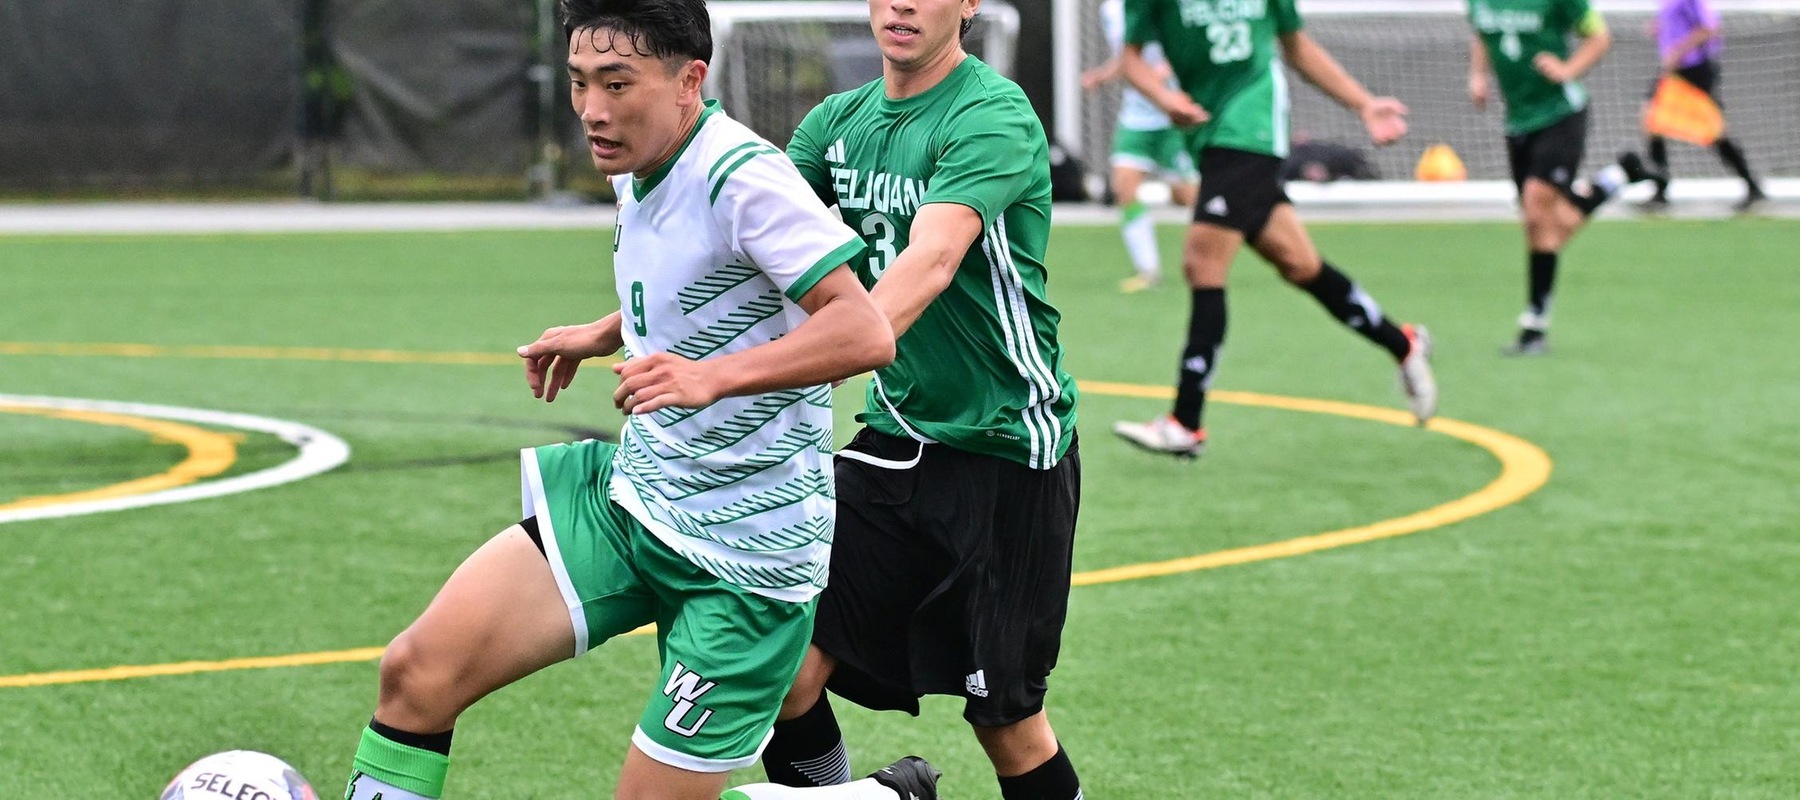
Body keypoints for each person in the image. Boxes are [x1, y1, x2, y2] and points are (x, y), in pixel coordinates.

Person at [337, 1, 940, 798]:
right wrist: (606, 330)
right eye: (582, 82)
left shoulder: (743, 177)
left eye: (617, 83)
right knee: (416, 675)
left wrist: (708, 377)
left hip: (744, 558)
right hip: (633, 502)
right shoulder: (640, 161)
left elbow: (865, 332)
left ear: (690, 81)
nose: (592, 109)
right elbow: (712, 285)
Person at [754, 0, 1086, 798]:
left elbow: (930, 262)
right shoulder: (837, 121)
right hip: (893, 439)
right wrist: (610, 327)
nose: (901, 3)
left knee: (1006, 725)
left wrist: (821, 354)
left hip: (1008, 451)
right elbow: (742, 241)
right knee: (778, 667)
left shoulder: (992, 114)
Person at [1110, 0, 1438, 459]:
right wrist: (1164, 99)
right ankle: (1402, 342)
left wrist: (1363, 103)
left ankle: (1185, 422)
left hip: (1253, 126)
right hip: (1207, 132)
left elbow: (1297, 46)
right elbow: (1130, 58)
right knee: (1300, 265)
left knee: (1201, 261)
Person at [1467, 0, 1664, 356]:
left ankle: (1534, 327)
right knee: (1548, 227)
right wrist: (1478, 75)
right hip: (1518, 120)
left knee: (1535, 210)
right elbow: (1482, 33)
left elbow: (1599, 36)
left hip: (1562, 113)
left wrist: (1569, 68)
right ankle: (1618, 176)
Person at [1081, 0, 1200, 293]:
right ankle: (1148, 270)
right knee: (1125, 186)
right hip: (1136, 116)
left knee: (1189, 196)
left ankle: (1221, 248)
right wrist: (1103, 76)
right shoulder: (1109, 9)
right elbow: (1129, 55)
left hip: (1172, 112)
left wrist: (1165, 71)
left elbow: (1188, 39)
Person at [1641, 0, 1765, 211]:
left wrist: (1678, 51)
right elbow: (1679, 22)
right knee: (1652, 121)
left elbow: (1709, 29)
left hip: (1694, 69)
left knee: (1713, 131)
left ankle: (1752, 185)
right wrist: (1661, 28)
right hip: (1676, 72)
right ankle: (1660, 189)